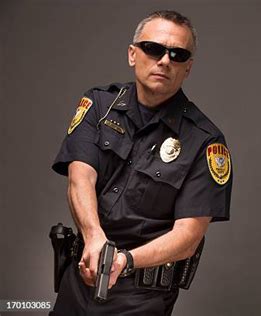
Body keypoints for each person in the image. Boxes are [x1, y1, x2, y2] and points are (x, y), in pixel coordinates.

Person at [50, 10, 232, 315]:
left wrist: (125, 260)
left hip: (142, 296)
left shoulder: (205, 141)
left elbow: (188, 236)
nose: (164, 61)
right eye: (153, 48)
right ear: (133, 55)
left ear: (188, 67)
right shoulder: (99, 106)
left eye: (178, 54)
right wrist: (95, 239)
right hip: (80, 279)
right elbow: (80, 177)